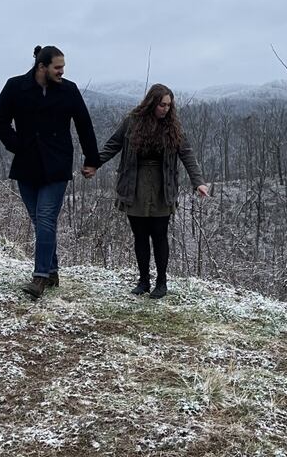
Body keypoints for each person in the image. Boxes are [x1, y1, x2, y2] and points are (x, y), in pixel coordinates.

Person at [0, 45, 100, 299]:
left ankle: (39, 277)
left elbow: (84, 125)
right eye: (57, 67)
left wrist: (92, 160)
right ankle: (51, 270)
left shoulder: (69, 90)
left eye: (63, 67)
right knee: (39, 220)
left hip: (57, 165)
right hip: (27, 164)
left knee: (46, 217)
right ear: (42, 67)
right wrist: (16, 145)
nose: (62, 71)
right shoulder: (15, 87)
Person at [86, 83, 209, 298]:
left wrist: (198, 181)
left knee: (159, 235)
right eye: (162, 105)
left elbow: (187, 154)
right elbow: (113, 145)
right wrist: (95, 164)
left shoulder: (174, 128)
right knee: (140, 236)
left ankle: (162, 282)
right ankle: (143, 280)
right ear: (152, 103)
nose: (166, 109)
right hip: (134, 185)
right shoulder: (132, 123)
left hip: (163, 187)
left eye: (169, 106)